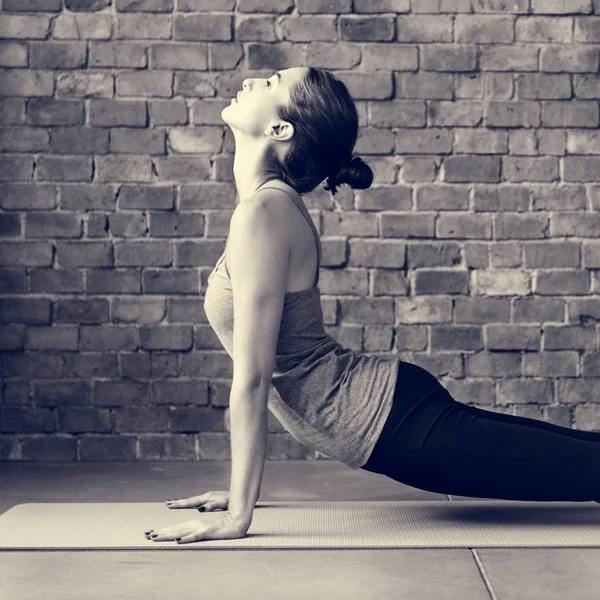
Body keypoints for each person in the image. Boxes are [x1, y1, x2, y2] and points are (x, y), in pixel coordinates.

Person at [144, 67, 600, 546]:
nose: (253, 81)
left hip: (388, 420)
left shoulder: (264, 212)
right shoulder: (263, 207)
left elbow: (256, 379)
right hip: (387, 409)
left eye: (271, 82)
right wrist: (241, 494)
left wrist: (239, 514)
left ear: (280, 130)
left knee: (586, 470)